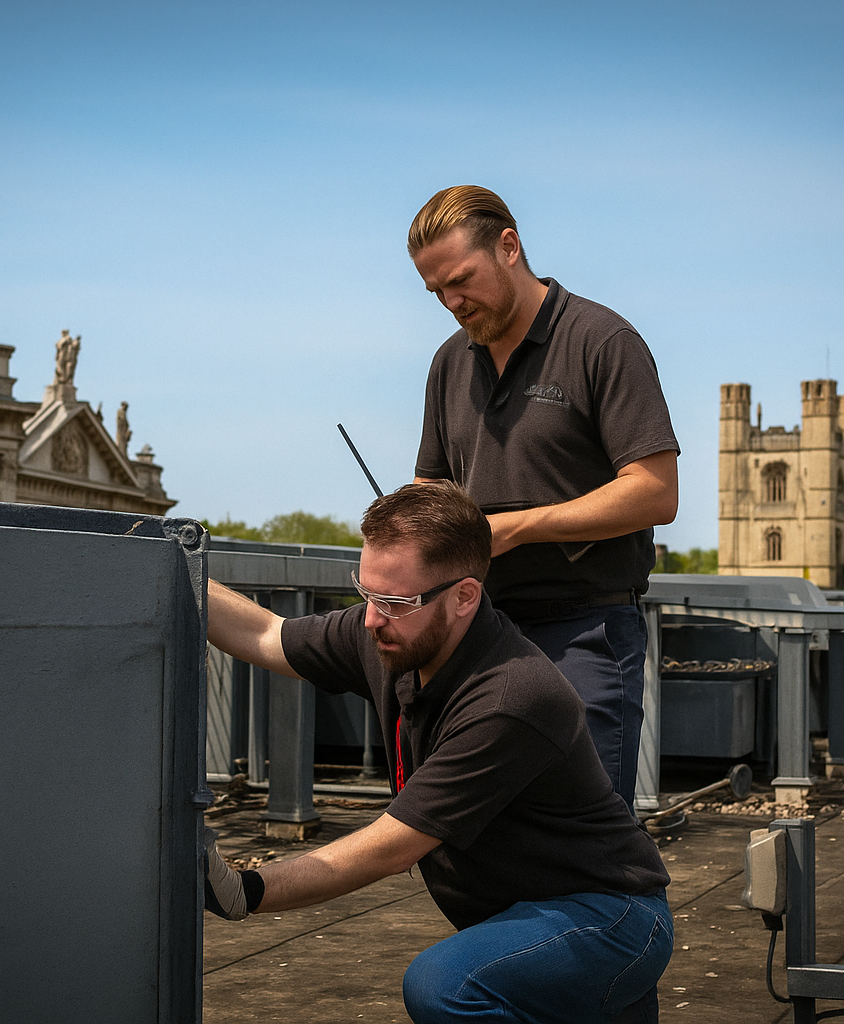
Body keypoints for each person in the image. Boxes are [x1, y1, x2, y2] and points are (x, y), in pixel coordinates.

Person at [203, 483, 672, 1024]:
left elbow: (393, 846)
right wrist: (176, 566)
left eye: (396, 602)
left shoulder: (510, 696)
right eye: (367, 593)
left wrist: (247, 890)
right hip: (523, 924)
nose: (373, 618)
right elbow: (267, 633)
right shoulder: (390, 631)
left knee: (445, 985)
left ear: (464, 596)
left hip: (608, 920)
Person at [408, 185, 680, 810]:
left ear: (509, 248)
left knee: (586, 828)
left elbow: (655, 493)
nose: (451, 302)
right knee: (489, 827)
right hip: (476, 630)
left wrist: (518, 528)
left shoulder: (602, 341)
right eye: (435, 292)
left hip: (585, 629)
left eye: (460, 280)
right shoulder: (448, 363)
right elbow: (432, 486)